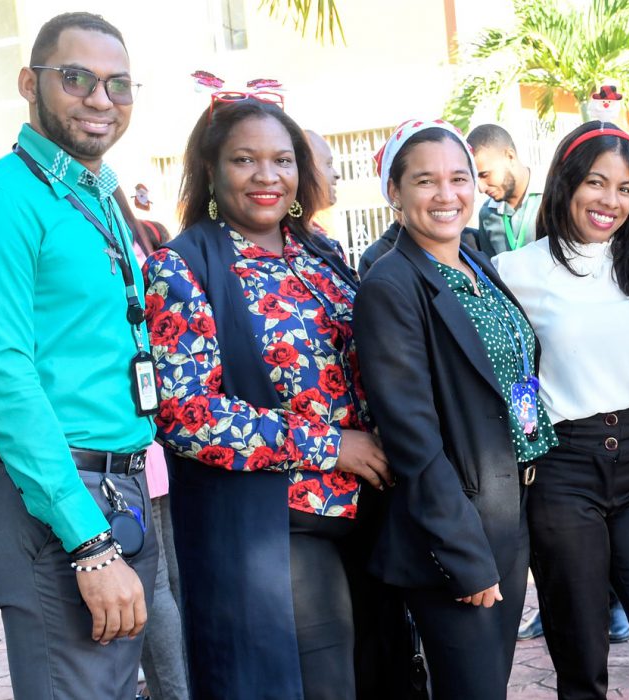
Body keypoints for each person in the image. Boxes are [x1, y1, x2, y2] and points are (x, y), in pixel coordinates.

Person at [0, 12, 155, 698]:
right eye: (77, 78)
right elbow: (3, 383)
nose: (101, 99)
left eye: (118, 84)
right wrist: (88, 542)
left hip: (116, 486)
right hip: (56, 502)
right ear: (30, 83)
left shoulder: (97, 196)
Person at [145, 94, 389, 699]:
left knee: (381, 677)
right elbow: (186, 415)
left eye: (282, 160)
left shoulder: (322, 255)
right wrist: (331, 446)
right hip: (274, 524)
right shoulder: (182, 267)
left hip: (367, 514)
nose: (267, 176)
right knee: (317, 686)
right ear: (210, 170)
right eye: (244, 159)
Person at [493, 120, 629, 699]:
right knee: (582, 664)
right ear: (566, 183)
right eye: (596, 183)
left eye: (625, 188)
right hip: (563, 474)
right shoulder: (516, 272)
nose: (611, 200)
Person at [355, 118, 551, 700]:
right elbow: (411, 437)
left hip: (507, 510)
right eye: (425, 181)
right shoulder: (391, 285)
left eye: (459, 178)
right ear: (394, 193)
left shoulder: (474, 260)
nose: (447, 194)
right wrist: (463, 553)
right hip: (457, 528)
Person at [115, 190, 190, 700]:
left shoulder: (120, 245)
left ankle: (175, 692)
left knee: (155, 583)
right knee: (172, 578)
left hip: (130, 432)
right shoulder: (151, 239)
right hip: (159, 433)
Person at [469, 124, 546, 257]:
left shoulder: (555, 197)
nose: (481, 188)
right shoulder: (487, 214)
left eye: (485, 175)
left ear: (510, 157)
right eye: (475, 179)